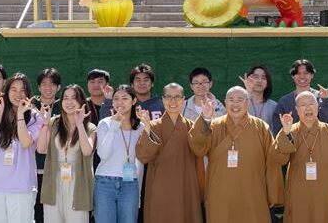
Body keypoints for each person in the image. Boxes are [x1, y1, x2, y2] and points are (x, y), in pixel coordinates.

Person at [189, 86, 287, 222]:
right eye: (231, 100)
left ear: (247, 103)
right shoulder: (213, 126)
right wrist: (205, 118)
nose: (235, 104)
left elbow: (272, 162)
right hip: (220, 194)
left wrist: (273, 195)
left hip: (253, 194)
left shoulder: (261, 128)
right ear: (225, 103)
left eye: (240, 100)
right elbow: (197, 148)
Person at [276, 91, 328, 222]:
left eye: (311, 104)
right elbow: (280, 160)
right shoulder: (290, 131)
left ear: (318, 107)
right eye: (303, 105)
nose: (308, 108)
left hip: (325, 194)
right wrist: (285, 132)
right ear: (297, 110)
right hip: (299, 194)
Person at [0, 73, 45, 222]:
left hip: (21, 186)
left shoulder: (34, 116)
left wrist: (21, 115)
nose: (18, 94)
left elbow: (25, 142)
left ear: (28, 93)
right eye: (13, 89)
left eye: (22, 90)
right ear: (6, 92)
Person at [136, 83, 204, 223]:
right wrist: (147, 127)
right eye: (168, 97)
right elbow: (143, 156)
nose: (173, 101)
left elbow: (201, 150)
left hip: (186, 185)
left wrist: (207, 118)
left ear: (184, 100)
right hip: (160, 185)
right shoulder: (153, 125)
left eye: (177, 97)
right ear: (162, 99)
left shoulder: (192, 126)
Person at [38, 84, 97, 223]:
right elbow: (41, 149)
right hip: (54, 181)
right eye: (65, 98)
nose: (69, 102)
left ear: (82, 102)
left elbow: (87, 150)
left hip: (78, 183)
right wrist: (45, 125)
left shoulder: (90, 127)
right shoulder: (53, 123)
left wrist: (80, 124)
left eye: (74, 98)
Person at [94, 85, 145, 223]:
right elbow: (103, 154)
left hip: (130, 184)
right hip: (105, 182)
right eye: (116, 98)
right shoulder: (104, 123)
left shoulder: (141, 127)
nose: (119, 102)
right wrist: (114, 126)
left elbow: (143, 158)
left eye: (124, 98)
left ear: (134, 101)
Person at [272, 59, 328, 135]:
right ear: (293, 76)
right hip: (293, 145)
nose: (302, 76)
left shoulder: (321, 96)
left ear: (312, 75)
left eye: (306, 73)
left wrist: (326, 101)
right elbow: (278, 131)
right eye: (298, 73)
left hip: (318, 143)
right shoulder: (284, 102)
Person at [34, 67, 63, 221]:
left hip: (56, 168)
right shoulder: (30, 105)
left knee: (53, 212)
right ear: (38, 87)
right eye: (44, 84)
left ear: (58, 87)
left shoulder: (64, 106)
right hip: (33, 168)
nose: (48, 87)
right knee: (36, 211)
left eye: (52, 84)